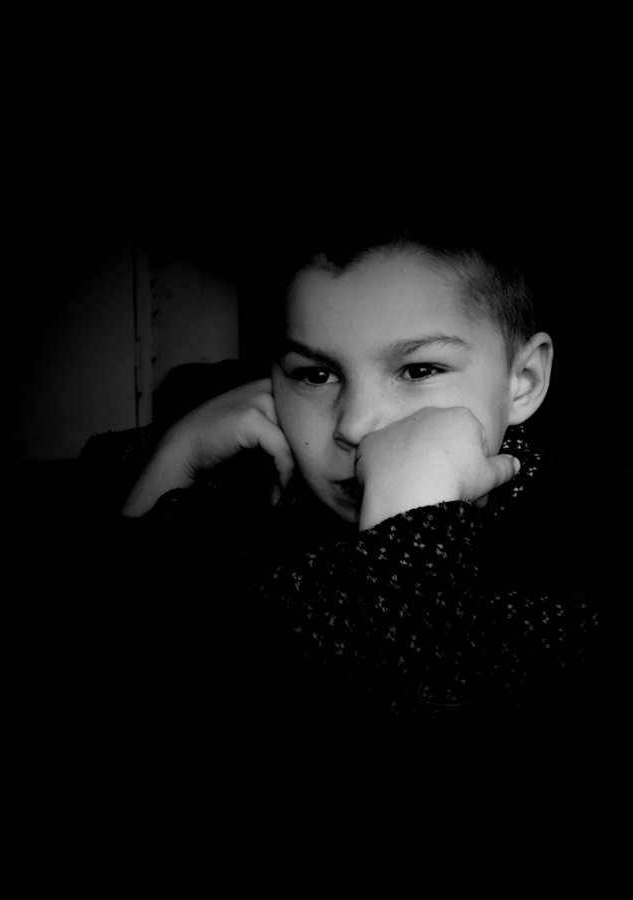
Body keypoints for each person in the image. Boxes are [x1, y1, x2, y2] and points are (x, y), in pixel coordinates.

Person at [116, 235, 600, 754]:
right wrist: (176, 458)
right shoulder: (244, 497)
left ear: (523, 380)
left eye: (419, 370)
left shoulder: (574, 547)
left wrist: (413, 522)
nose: (355, 424)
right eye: (315, 375)